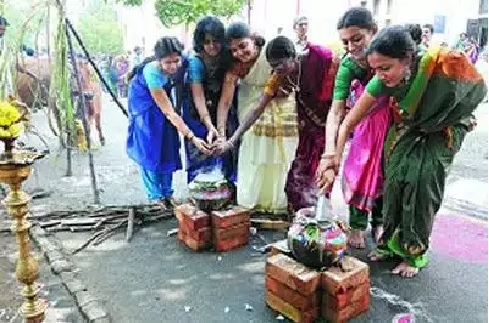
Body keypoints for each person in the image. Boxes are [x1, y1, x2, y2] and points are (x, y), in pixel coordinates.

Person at [317, 26, 487, 277]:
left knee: (423, 181)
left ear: (407, 59)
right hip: (408, 127)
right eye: (375, 70)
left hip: (444, 129)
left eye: (385, 68)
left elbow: (476, 91)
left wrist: (440, 116)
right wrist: (331, 161)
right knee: (394, 179)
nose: (379, 76)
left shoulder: (444, 64)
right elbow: (347, 123)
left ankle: (414, 253)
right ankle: (390, 243)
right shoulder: (380, 80)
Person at [216, 35, 338, 214]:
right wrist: (232, 140)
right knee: (297, 178)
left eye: (280, 65)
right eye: (273, 67)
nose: (277, 71)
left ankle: (323, 217)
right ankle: (304, 219)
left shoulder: (319, 58)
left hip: (330, 122)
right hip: (307, 126)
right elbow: (257, 109)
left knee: (323, 171)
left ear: (294, 57)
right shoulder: (279, 76)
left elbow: (338, 86)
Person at [317, 7, 389, 249]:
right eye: (345, 42)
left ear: (374, 32)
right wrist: (330, 153)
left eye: (357, 39)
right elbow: (336, 111)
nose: (351, 47)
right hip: (364, 125)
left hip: (393, 122)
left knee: (387, 175)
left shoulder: (391, 53)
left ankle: (380, 223)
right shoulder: (348, 66)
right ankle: (357, 225)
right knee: (359, 172)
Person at [215, 22, 298, 214]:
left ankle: (276, 203)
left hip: (281, 105)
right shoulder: (234, 66)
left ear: (253, 39)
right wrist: (221, 135)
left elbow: (288, 78)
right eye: (234, 50)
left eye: (243, 46)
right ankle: (251, 201)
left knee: (281, 152)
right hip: (251, 107)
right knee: (253, 148)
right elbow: (225, 103)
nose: (239, 53)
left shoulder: (271, 52)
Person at [126, 37, 211, 209]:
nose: (173, 66)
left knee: (169, 145)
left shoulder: (189, 62)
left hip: (164, 104)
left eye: (175, 61)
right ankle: (156, 196)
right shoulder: (152, 73)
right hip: (145, 107)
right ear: (158, 61)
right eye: (167, 63)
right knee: (151, 149)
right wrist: (192, 137)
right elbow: (169, 112)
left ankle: (167, 193)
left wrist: (208, 124)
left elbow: (195, 96)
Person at [183, 16, 238, 184]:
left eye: (216, 41)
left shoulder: (228, 58)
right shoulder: (195, 62)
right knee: (202, 152)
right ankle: (199, 195)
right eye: (207, 42)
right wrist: (208, 125)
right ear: (201, 42)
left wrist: (220, 131)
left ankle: (226, 194)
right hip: (197, 113)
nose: (212, 46)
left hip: (224, 109)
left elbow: (226, 99)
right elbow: (197, 95)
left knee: (225, 149)